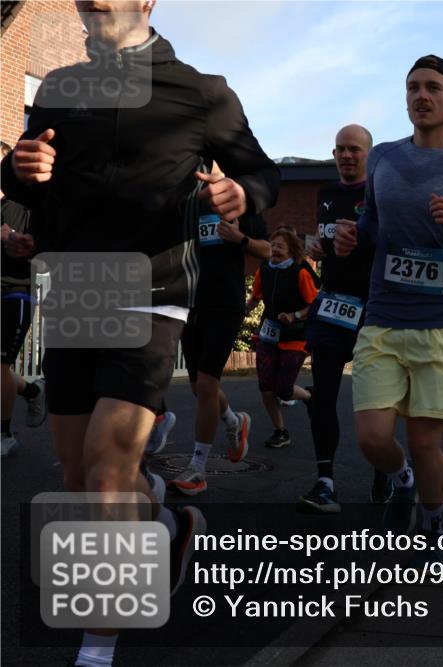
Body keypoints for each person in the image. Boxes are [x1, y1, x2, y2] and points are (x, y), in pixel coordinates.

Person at [0, 2, 279, 665]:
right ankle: (167, 519)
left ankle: (98, 648)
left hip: (154, 293)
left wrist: (242, 191)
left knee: (105, 467)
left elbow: (262, 172)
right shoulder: (63, 88)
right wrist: (20, 174)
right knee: (77, 470)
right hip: (74, 292)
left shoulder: (201, 91)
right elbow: (34, 185)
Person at [334, 55, 443, 564]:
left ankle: (434, 525)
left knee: (424, 441)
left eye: (433, 87)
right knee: (372, 438)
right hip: (384, 320)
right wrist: (352, 238)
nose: (421, 95)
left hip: (441, 327)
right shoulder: (385, 159)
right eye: (413, 87)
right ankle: (402, 482)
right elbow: (371, 228)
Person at [296, 124, 390, 513]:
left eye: (353, 149)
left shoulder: (380, 194)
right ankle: (325, 483)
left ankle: (387, 469)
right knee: (323, 395)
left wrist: (366, 241)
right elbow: (326, 242)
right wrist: (317, 248)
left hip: (372, 307)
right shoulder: (327, 193)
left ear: (368, 154)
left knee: (375, 402)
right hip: (333, 304)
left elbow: (396, 242)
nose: (346, 155)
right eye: (339, 149)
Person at [166, 199, 269, 496]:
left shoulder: (241, 200)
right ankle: (235, 422)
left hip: (225, 302)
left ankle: (197, 469)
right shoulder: (187, 203)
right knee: (200, 387)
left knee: (209, 383)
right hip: (191, 301)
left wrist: (240, 239)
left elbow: (266, 250)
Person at [246, 228, 318, 449]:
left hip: (295, 335)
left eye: (280, 246)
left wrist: (295, 315)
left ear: (291, 250)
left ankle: (308, 396)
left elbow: (314, 303)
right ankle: (281, 431)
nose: (275, 250)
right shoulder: (265, 269)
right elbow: (256, 296)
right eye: (273, 245)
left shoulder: (300, 272)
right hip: (269, 333)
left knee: (283, 388)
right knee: (266, 386)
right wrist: (245, 309)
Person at [1, 144, 46, 458]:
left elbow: (46, 249)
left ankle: (5, 436)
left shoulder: (37, 207)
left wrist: (17, 239)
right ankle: (32, 390)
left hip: (17, 290)